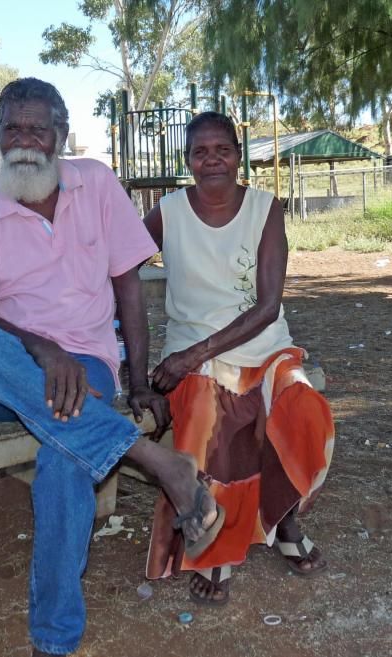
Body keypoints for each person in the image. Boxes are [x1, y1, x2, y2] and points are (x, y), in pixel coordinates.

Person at [0, 78, 225, 656]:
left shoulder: (95, 182)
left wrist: (139, 380)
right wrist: (41, 349)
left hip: (88, 364)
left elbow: (129, 284)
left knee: (65, 460)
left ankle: (54, 640)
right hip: (8, 366)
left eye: (37, 129)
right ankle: (158, 462)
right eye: (11, 129)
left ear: (60, 135)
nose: (24, 141)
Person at [143, 111, 335, 606]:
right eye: (200, 152)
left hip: (259, 343)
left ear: (238, 155)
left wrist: (193, 355)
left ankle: (282, 515)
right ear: (187, 160)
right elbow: (118, 268)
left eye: (222, 150)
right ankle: (215, 545)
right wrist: (137, 357)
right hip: (192, 351)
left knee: (300, 404)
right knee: (210, 415)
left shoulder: (264, 209)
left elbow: (268, 305)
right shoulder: (167, 211)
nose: (212, 160)